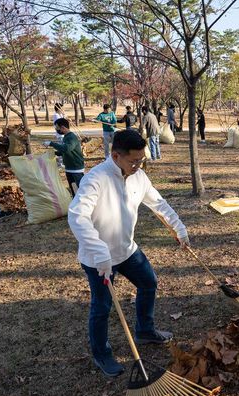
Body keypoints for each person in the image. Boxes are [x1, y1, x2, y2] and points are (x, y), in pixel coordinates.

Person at [68, 129, 190, 377]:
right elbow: (77, 216)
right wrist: (99, 251)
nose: (138, 165)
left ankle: (145, 330)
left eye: (141, 159)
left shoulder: (139, 176)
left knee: (149, 282)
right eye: (133, 160)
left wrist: (179, 228)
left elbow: (158, 203)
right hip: (98, 259)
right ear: (115, 156)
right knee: (101, 307)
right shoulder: (96, 179)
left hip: (127, 250)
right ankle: (102, 354)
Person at [44, 118, 85, 196]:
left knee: (80, 190)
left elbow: (66, 149)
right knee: (73, 189)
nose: (57, 130)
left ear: (63, 127)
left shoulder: (71, 137)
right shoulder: (66, 137)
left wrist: (51, 143)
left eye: (57, 128)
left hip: (76, 168)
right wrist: (54, 153)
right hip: (69, 168)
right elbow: (64, 151)